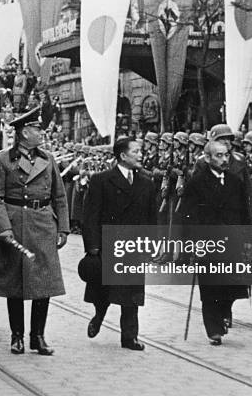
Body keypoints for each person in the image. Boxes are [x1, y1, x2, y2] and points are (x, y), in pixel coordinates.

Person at [0, 107, 69, 355]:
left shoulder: (47, 159)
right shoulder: (2, 160)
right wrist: (4, 227)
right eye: (36, 128)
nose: (41, 132)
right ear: (23, 132)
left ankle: (38, 336)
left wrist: (63, 227)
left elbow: (60, 196)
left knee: (44, 283)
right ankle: (17, 336)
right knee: (16, 282)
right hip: (15, 224)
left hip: (43, 224)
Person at [81, 137, 157, 350]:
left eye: (140, 151)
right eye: (136, 152)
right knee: (103, 289)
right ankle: (99, 315)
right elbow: (91, 215)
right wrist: (93, 246)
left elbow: (152, 218)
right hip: (108, 244)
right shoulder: (102, 180)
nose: (141, 155)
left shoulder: (147, 183)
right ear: (122, 156)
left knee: (132, 294)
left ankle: (129, 337)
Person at [180, 141, 251, 346]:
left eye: (226, 155)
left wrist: (247, 239)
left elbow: (243, 212)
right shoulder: (197, 182)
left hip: (232, 241)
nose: (223, 159)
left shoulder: (234, 181)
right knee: (210, 288)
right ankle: (213, 329)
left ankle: (225, 312)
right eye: (218, 156)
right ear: (208, 158)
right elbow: (188, 216)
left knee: (231, 285)